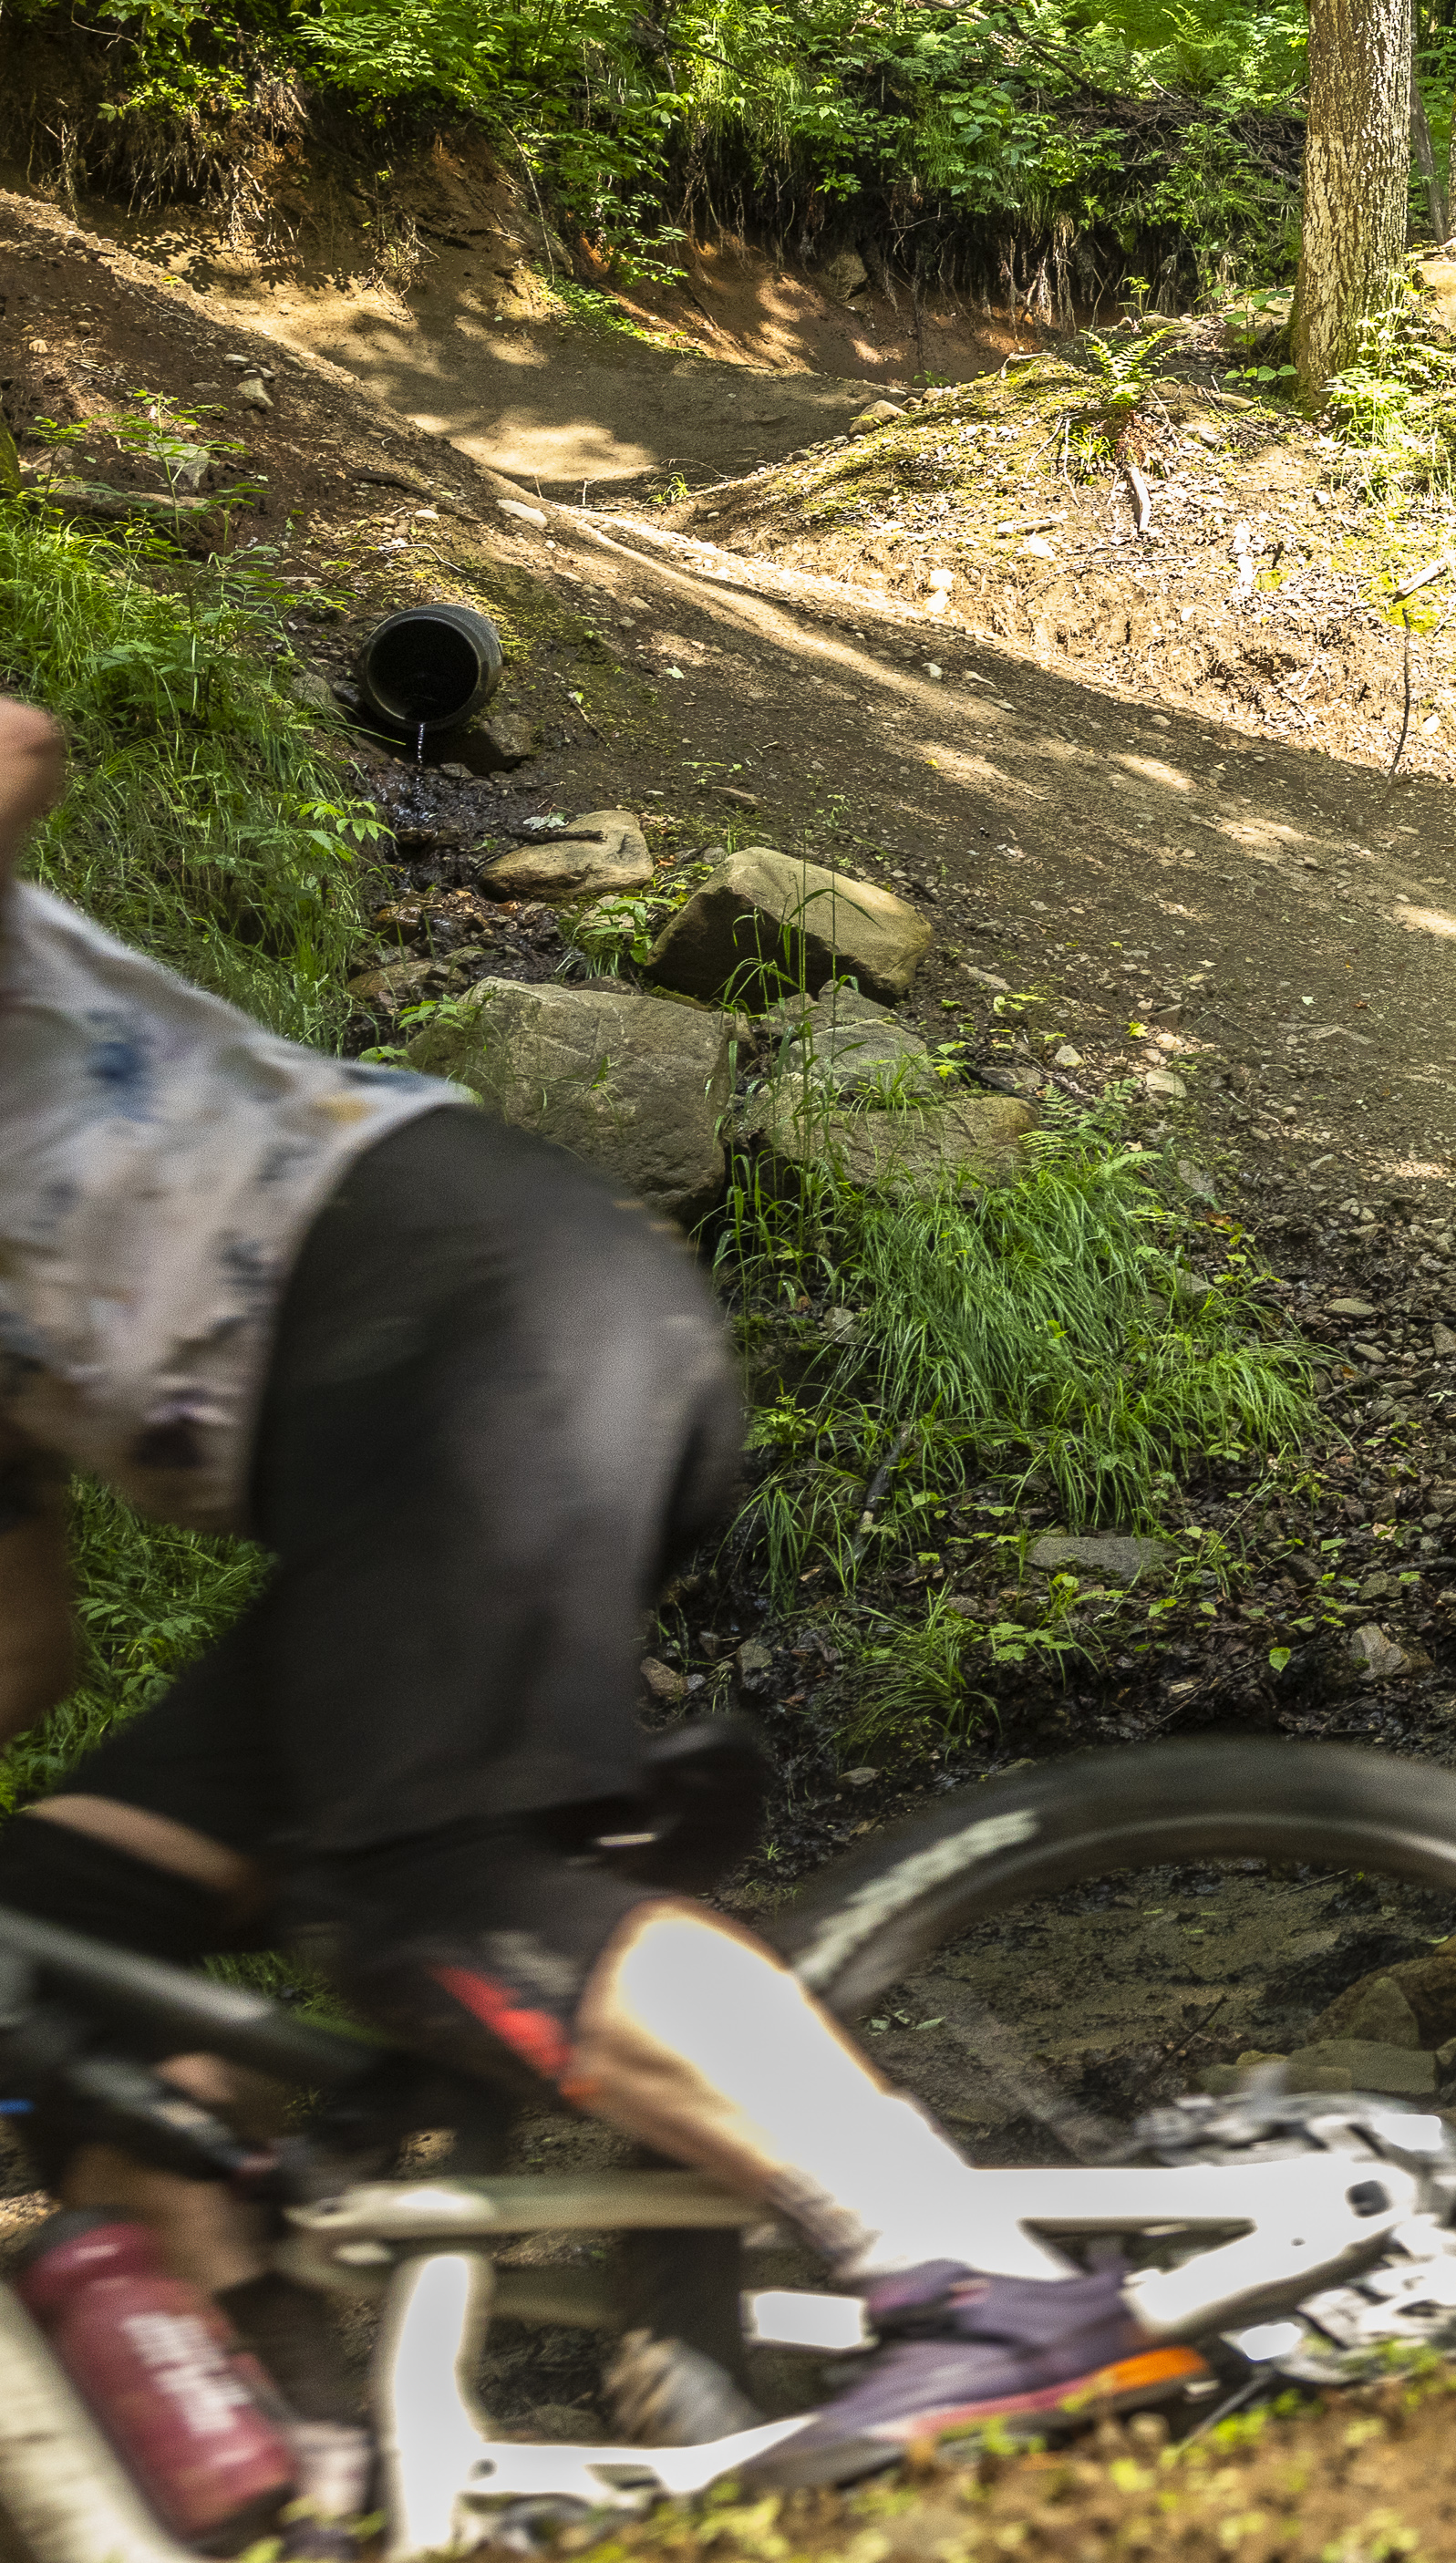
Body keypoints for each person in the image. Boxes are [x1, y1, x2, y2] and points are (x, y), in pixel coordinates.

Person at [0, 694, 1195, 2492]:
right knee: (58, 1920)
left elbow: (15, 740)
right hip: (406, 1449)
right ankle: (281, 2460)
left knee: (426, 1893)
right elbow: (30, 1641)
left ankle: (994, 2290)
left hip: (472, 1331)